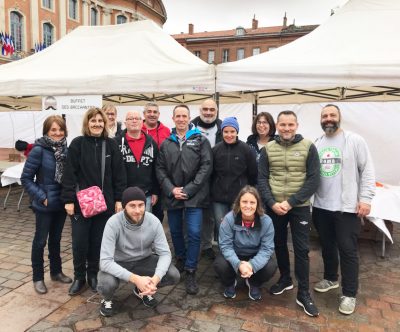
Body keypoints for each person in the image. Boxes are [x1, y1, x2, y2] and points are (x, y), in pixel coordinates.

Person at [312, 104, 375, 315]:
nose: (328, 118)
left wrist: (365, 199)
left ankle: (349, 294)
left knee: (347, 250)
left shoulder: (354, 140)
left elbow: (367, 170)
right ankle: (331, 278)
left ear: (339, 118)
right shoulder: (317, 143)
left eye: (332, 115)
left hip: (346, 208)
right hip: (321, 206)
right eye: (324, 115)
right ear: (320, 119)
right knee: (327, 246)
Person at [258, 110, 320, 317]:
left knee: (302, 250)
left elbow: (313, 180)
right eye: (283, 125)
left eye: (290, 125)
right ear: (277, 125)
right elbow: (262, 180)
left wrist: (291, 202)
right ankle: (285, 279)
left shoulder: (308, 147)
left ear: (297, 125)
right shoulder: (268, 149)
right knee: (278, 244)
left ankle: (303, 292)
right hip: (274, 207)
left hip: (299, 207)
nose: (286, 128)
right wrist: (272, 203)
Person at [62, 107, 126, 296]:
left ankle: (93, 274)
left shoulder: (111, 144)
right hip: (81, 204)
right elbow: (69, 173)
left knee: (98, 242)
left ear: (105, 124)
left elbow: (119, 174)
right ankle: (79, 277)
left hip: (104, 205)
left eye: (100, 121)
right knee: (80, 242)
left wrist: (118, 198)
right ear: (87, 123)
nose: (97, 124)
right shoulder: (77, 144)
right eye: (93, 121)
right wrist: (68, 199)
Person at [97, 187, 180, 317]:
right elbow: (105, 262)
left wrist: (155, 279)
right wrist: (136, 279)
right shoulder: (113, 223)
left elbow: (165, 253)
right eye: (132, 206)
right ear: (124, 207)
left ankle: (142, 289)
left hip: (144, 260)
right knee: (107, 284)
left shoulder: (153, 221)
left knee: (173, 275)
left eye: (141, 205)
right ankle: (107, 299)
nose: (137, 210)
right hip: (119, 262)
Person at [156, 104, 212, 295]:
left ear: (189, 118)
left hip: (194, 196)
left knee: (195, 233)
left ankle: (191, 270)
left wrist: (189, 189)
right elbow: (160, 169)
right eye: (177, 116)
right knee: (176, 232)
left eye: (184, 116)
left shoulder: (200, 141)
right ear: (173, 119)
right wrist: (171, 189)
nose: (181, 119)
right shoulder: (166, 143)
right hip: (173, 197)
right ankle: (180, 259)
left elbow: (206, 166)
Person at [21, 115, 72, 294]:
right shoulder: (38, 149)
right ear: (46, 131)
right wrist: (42, 196)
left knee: (56, 240)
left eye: (60, 129)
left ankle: (56, 272)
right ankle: (38, 278)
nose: (58, 133)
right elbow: (26, 178)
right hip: (44, 203)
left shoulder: (66, 148)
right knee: (40, 241)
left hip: (61, 202)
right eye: (53, 130)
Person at [214, 186, 277, 301]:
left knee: (271, 267)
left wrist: (252, 265)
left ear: (257, 204)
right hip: (235, 253)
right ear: (239, 203)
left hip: (255, 255)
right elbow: (225, 246)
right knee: (220, 264)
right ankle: (230, 282)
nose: (248, 206)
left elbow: (267, 249)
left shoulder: (266, 221)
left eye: (252, 202)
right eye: (244, 202)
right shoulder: (229, 219)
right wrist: (239, 264)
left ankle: (253, 282)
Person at [211, 117, 257, 237]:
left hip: (239, 198)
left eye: (232, 131)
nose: (229, 135)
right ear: (222, 132)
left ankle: (239, 254)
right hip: (218, 199)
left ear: (237, 132)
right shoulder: (215, 150)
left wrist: (246, 192)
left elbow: (253, 174)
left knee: (239, 228)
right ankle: (224, 254)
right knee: (221, 227)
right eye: (226, 132)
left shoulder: (246, 150)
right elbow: (211, 174)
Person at [191, 99, 222, 259]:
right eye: (205, 109)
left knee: (211, 215)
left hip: (216, 180)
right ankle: (191, 245)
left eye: (212, 109)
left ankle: (207, 245)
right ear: (199, 110)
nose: (208, 112)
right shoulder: (191, 127)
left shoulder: (223, 128)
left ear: (216, 111)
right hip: (194, 179)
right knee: (192, 214)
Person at [115, 110, 159, 212]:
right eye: (130, 119)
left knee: (143, 226)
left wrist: (155, 192)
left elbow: (156, 169)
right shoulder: (115, 143)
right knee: (123, 226)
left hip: (145, 195)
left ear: (142, 122)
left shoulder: (152, 143)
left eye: (137, 118)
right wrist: (117, 197)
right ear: (125, 123)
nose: (134, 121)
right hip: (122, 196)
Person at [142, 102, 170, 222]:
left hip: (161, 179)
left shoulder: (166, 131)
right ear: (144, 114)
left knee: (158, 214)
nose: (152, 114)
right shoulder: (138, 129)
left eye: (155, 112)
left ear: (159, 114)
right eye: (149, 112)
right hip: (144, 178)